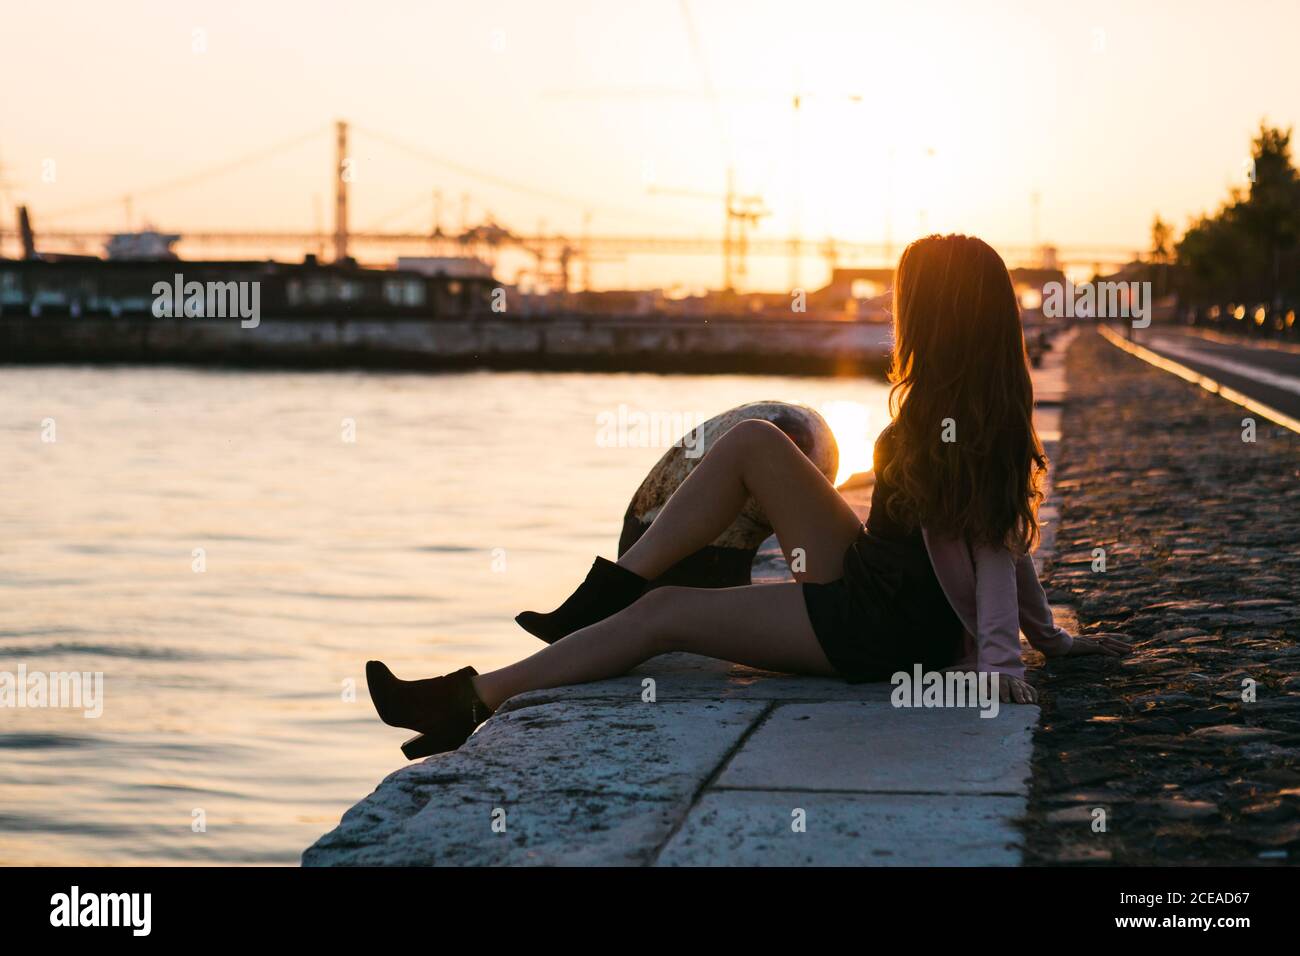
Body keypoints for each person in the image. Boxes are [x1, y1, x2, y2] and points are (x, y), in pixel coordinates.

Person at [365, 234, 1128, 759]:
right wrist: (1052, 638)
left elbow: (996, 545)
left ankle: (470, 698)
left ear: (936, 317)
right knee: (757, 442)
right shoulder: (959, 404)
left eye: (910, 302)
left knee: (664, 619)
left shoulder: (961, 425)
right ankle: (605, 592)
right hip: (872, 580)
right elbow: (1006, 539)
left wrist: (1005, 662)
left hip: (879, 628)